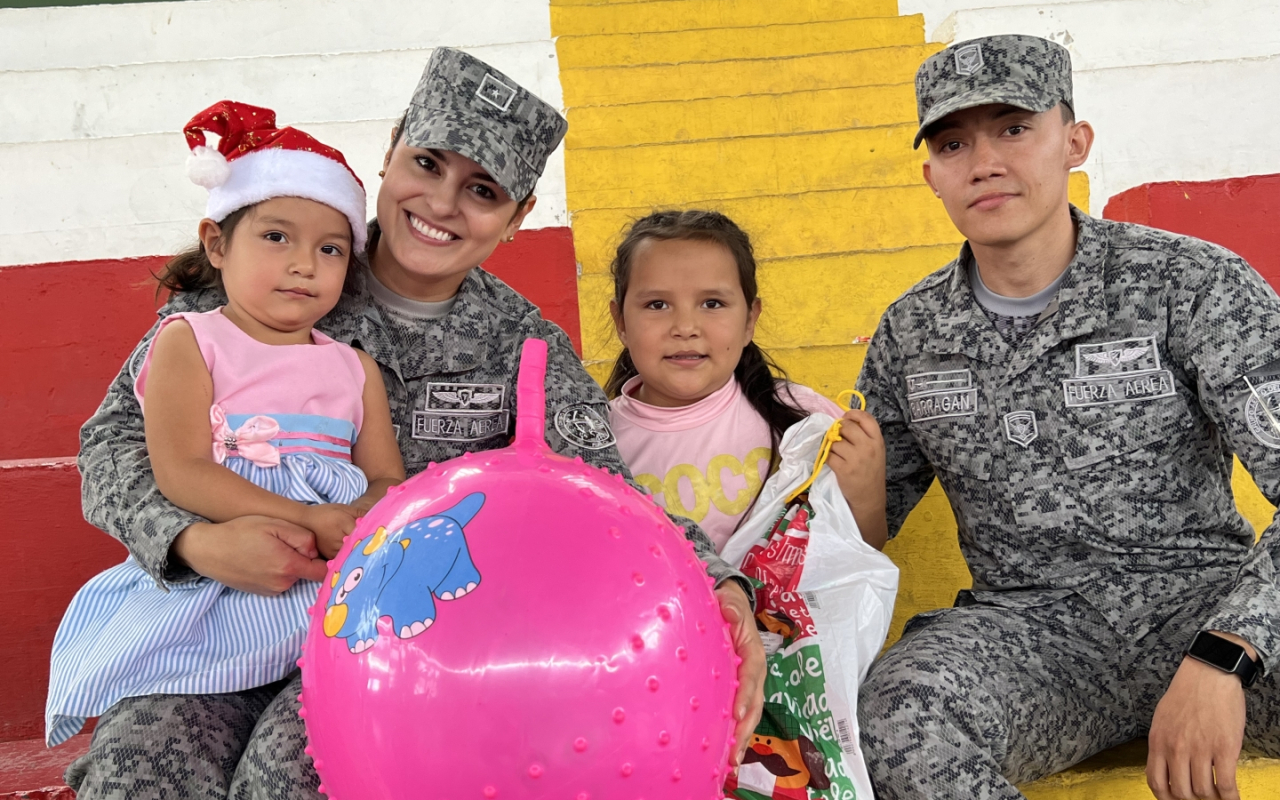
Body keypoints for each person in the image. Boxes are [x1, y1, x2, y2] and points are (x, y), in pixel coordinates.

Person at [70, 49, 764, 799]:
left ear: (519, 215)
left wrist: (722, 589)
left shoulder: (523, 345)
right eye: (427, 163)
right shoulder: (274, 264)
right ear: (391, 150)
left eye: (482, 190)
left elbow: (605, 486)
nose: (440, 203)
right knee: (139, 771)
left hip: (394, 651)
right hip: (211, 614)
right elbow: (110, 446)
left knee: (294, 782)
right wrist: (194, 541)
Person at [855, 34, 1280, 800]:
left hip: (1207, 608)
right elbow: (861, 527)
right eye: (955, 143)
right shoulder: (912, 334)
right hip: (1034, 640)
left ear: (1074, 142)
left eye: (1014, 128)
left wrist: (1228, 651)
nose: (985, 161)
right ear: (932, 177)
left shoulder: (1192, 284)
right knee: (898, 714)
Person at [46, 101, 404, 749]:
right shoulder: (191, 340)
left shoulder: (356, 369)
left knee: (307, 751)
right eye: (276, 237)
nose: (304, 264)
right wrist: (302, 517)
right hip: (209, 593)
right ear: (217, 243)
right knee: (155, 750)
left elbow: (385, 480)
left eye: (329, 249)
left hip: (326, 590)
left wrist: (355, 518)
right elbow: (181, 469)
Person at [604, 209, 887, 552]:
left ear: (750, 320)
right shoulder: (596, 443)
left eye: (712, 303)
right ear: (621, 321)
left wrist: (866, 496)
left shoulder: (805, 421)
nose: (685, 327)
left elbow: (862, 551)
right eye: (657, 304)